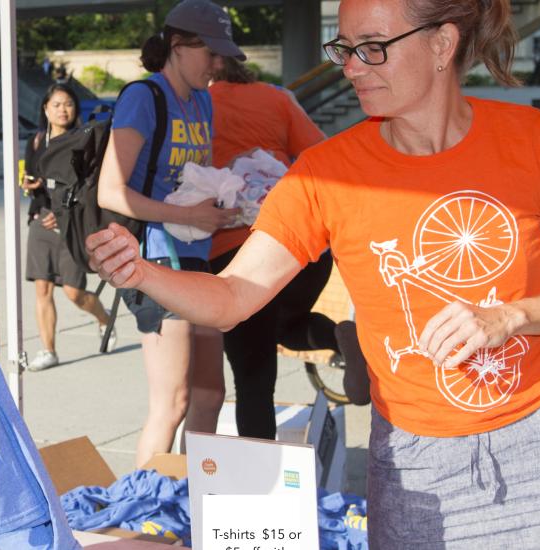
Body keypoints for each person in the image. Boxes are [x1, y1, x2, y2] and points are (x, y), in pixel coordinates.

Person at [88, 0, 540, 545]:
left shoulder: (536, 140)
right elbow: (233, 296)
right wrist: (140, 271)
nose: (351, 67)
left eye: (373, 48)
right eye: (344, 49)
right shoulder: (327, 175)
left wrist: (509, 316)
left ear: (442, 44)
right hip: (415, 464)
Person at [95, 0, 242, 467]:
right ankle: (143, 520)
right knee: (172, 402)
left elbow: (189, 176)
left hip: (197, 255)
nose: (219, 65)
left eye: (222, 55)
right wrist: (193, 218)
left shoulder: (201, 99)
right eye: (211, 54)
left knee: (210, 394)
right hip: (156, 260)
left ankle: (190, 504)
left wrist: (223, 204)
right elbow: (110, 191)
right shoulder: (144, 96)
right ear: (178, 46)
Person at [205, 55, 366, 438]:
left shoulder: (195, 105)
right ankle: (338, 336)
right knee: (287, 327)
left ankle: (258, 485)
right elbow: (324, 155)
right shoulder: (277, 99)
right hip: (302, 251)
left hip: (238, 254)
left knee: (253, 377)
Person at [21, 83, 114, 371]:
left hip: (71, 224)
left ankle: (104, 318)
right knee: (43, 289)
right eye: (57, 104)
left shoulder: (83, 140)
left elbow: (89, 187)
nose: (63, 109)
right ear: (46, 109)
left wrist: (61, 213)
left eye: (69, 104)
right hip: (41, 222)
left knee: (74, 292)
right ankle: (48, 350)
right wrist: (27, 184)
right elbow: (30, 176)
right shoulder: (37, 142)